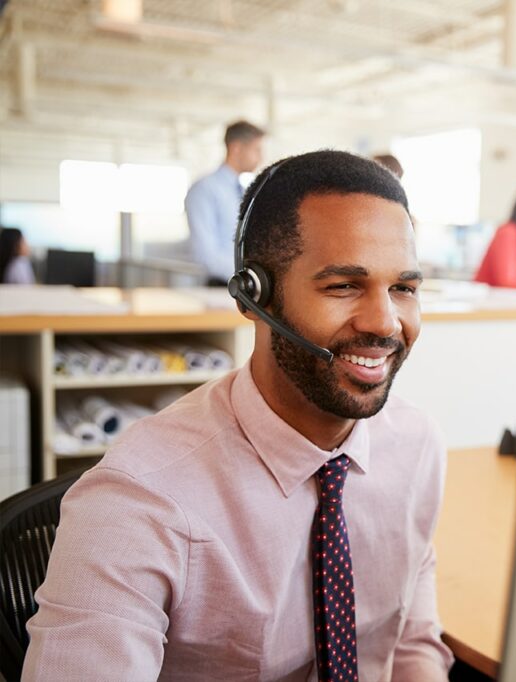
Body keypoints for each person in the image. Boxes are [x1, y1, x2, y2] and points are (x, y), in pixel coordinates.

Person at [24, 151, 455, 681]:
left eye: (403, 288)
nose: (386, 323)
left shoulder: (415, 445)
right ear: (254, 296)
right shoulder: (137, 502)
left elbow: (410, 644)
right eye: (343, 286)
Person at [185, 120, 265, 286]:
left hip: (245, 285)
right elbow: (205, 255)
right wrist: (250, 276)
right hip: (222, 286)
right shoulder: (205, 190)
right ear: (236, 148)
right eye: (256, 150)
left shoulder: (243, 192)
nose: (260, 157)